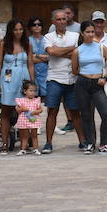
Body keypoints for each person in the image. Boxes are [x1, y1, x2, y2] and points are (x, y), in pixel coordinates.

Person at [69, 20, 107, 154]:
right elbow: (74, 69)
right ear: (82, 34)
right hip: (83, 83)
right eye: (87, 32)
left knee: (106, 114)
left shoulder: (100, 47)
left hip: (98, 83)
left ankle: (104, 143)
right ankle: (89, 142)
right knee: (86, 115)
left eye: (92, 32)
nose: (90, 34)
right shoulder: (78, 50)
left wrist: (105, 77)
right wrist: (86, 76)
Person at [41, 9, 81, 153]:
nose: (62, 21)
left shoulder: (76, 35)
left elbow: (78, 53)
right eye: (58, 19)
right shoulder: (48, 36)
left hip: (72, 78)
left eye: (64, 19)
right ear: (53, 21)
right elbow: (51, 52)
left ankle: (82, 141)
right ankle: (48, 143)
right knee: (52, 111)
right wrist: (70, 50)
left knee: (75, 112)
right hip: (54, 78)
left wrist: (59, 51)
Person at [0, 18, 31, 154]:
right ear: (10, 30)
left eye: (20, 29)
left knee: (25, 111)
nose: (18, 32)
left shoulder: (27, 44)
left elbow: (31, 64)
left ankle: (24, 142)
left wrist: (33, 83)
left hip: (23, 79)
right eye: (15, 29)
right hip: (8, 79)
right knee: (5, 111)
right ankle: (4, 143)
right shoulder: (4, 44)